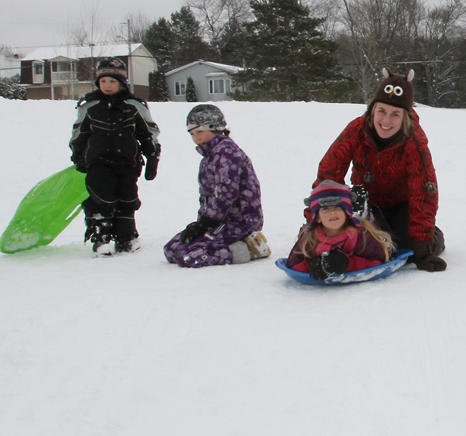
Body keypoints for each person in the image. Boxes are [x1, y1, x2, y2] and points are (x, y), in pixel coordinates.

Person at [315, 68, 445, 272]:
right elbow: (329, 174)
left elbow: (424, 189)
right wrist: (316, 222)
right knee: (357, 242)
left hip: (403, 205)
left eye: (395, 114)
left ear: (405, 116)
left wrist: (422, 248)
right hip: (365, 200)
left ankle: (432, 235)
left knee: (403, 248)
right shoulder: (356, 130)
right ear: (372, 110)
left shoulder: (414, 140)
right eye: (381, 111)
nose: (386, 121)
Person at [69, 57, 160, 254]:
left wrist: (152, 155)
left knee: (127, 199)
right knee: (101, 198)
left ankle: (126, 237)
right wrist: (78, 157)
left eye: (112, 81)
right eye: (103, 81)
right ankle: (100, 238)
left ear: (122, 83)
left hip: (127, 162)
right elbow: (79, 134)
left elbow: (148, 132)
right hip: (98, 162)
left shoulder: (134, 106)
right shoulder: (89, 106)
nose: (107, 85)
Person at [164, 104, 270, 267]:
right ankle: (229, 244)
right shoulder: (209, 156)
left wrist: (206, 223)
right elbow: (208, 195)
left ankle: (247, 249)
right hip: (217, 221)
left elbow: (226, 191)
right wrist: (200, 223)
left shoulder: (227, 153)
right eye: (192, 133)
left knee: (188, 256)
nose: (196, 138)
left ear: (216, 129)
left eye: (200, 132)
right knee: (172, 249)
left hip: (239, 222)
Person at [286, 181, 395, 280]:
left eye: (337, 208)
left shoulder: (361, 235)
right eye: (325, 209)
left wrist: (349, 264)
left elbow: (379, 262)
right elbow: (293, 266)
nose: (332, 213)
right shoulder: (310, 238)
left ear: (347, 213)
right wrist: (312, 266)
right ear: (317, 217)